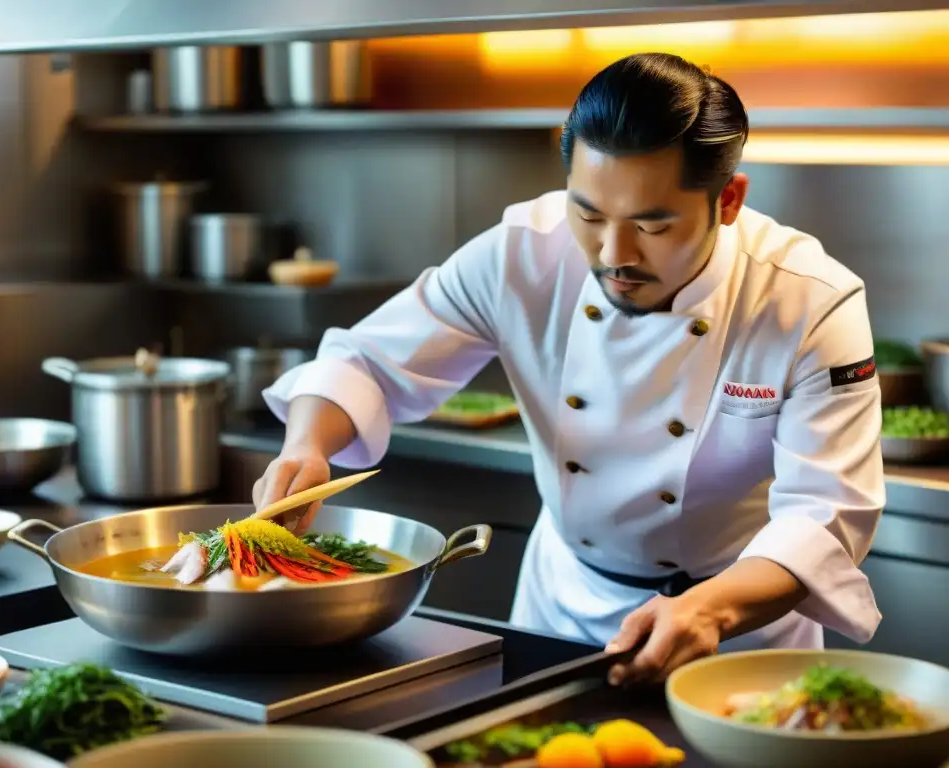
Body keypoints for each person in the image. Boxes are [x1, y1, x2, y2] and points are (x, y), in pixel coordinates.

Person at [252, 52, 884, 685]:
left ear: (728, 201)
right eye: (588, 214)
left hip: (741, 631)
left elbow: (823, 515)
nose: (614, 254)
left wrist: (709, 611)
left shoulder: (808, 300)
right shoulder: (521, 253)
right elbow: (365, 360)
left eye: (652, 224)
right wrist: (306, 448)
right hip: (561, 612)